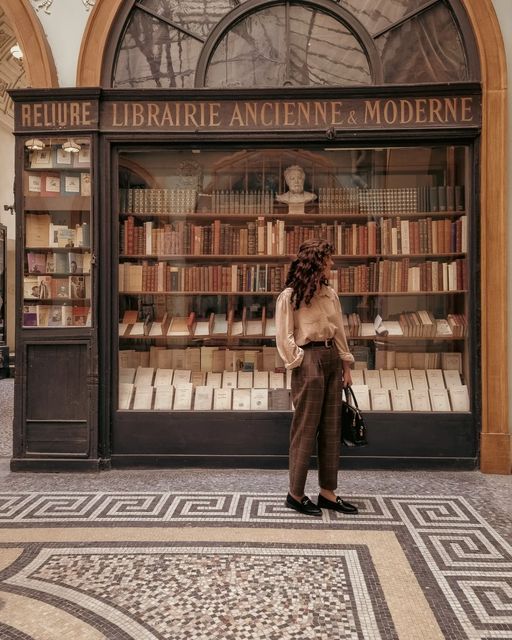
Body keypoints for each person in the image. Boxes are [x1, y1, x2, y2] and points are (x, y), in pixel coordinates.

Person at [275, 238, 357, 517]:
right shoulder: (290, 296)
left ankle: (327, 493)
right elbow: (284, 336)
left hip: (332, 358)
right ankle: (295, 494)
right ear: (316, 262)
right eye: (327, 259)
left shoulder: (329, 293)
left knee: (332, 429)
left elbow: (339, 330)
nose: (332, 264)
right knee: (305, 430)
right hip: (308, 360)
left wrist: (346, 365)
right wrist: (299, 362)